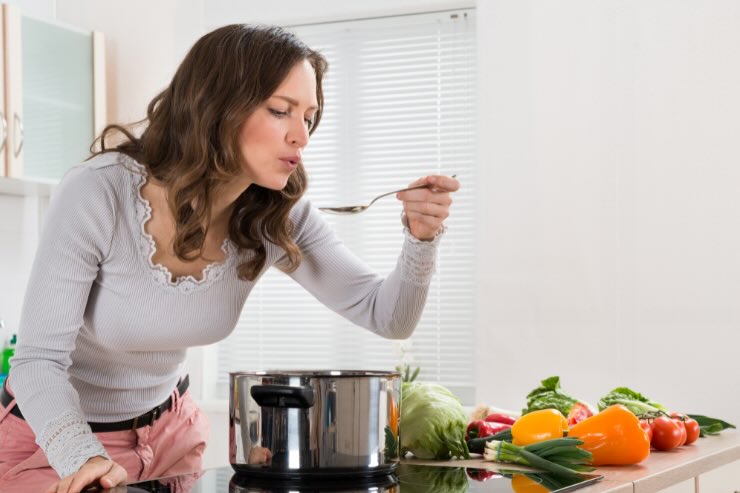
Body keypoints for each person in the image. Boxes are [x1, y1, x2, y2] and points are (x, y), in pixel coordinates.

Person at [0, 24, 459, 493]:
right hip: (56, 443)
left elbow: (388, 315)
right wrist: (84, 458)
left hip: (172, 437)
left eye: (309, 117)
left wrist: (421, 239)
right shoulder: (100, 192)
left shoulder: (276, 214)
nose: (301, 136)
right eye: (281, 111)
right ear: (216, 107)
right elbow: (37, 361)